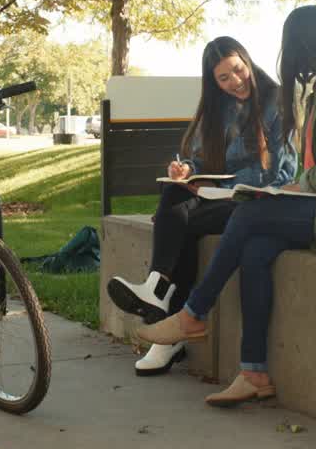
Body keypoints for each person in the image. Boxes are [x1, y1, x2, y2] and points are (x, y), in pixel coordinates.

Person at [136, 5, 316, 406]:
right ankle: (254, 373)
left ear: (302, 43)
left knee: (248, 214)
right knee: (255, 251)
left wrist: (300, 185)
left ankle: (193, 314)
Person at [108, 36, 296, 375]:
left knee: (182, 223)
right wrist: (188, 170)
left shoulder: (275, 100)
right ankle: (157, 293)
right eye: (223, 78)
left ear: (247, 60)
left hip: (259, 200)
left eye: (238, 70)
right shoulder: (217, 106)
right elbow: (199, 157)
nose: (235, 82)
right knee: (174, 193)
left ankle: (166, 322)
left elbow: (275, 171)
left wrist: (219, 183)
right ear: (213, 82)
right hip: (221, 197)